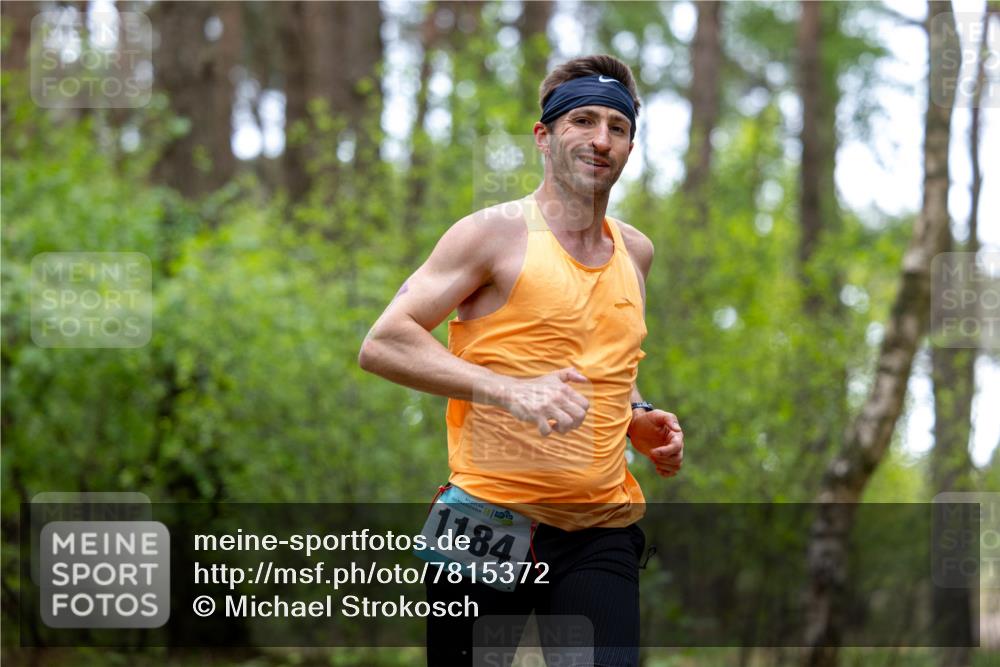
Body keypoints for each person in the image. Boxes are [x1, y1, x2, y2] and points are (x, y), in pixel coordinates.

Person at [359, 54, 684, 667]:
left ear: (630, 145)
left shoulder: (635, 252)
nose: (600, 139)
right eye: (582, 120)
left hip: (600, 526)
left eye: (617, 127)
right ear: (543, 135)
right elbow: (384, 342)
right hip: (486, 518)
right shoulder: (492, 234)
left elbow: (605, 353)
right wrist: (511, 390)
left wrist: (636, 414)